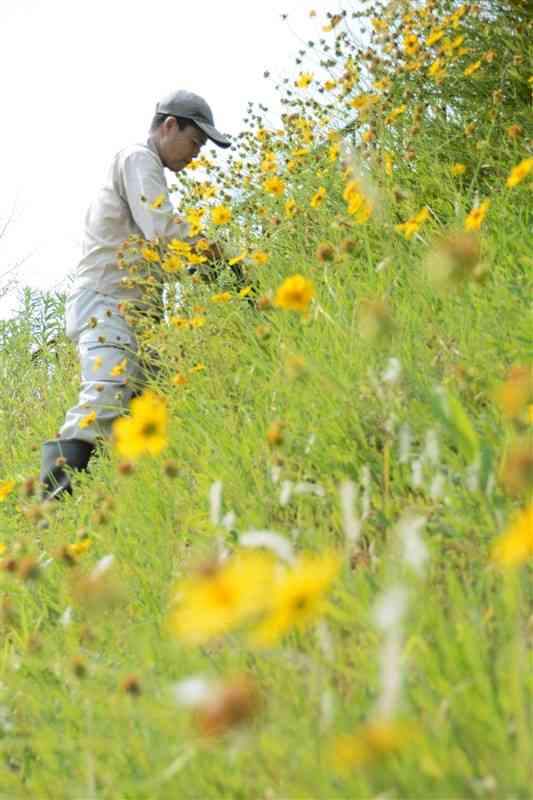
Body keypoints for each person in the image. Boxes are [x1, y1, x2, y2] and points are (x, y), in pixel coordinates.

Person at [39, 90, 230, 501]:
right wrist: (212, 254)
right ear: (169, 126)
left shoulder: (145, 168)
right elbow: (161, 228)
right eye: (195, 142)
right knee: (106, 393)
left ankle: (132, 507)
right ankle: (49, 508)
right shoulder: (138, 158)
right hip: (107, 304)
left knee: (149, 409)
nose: (196, 155)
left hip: (136, 312)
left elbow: (155, 247)